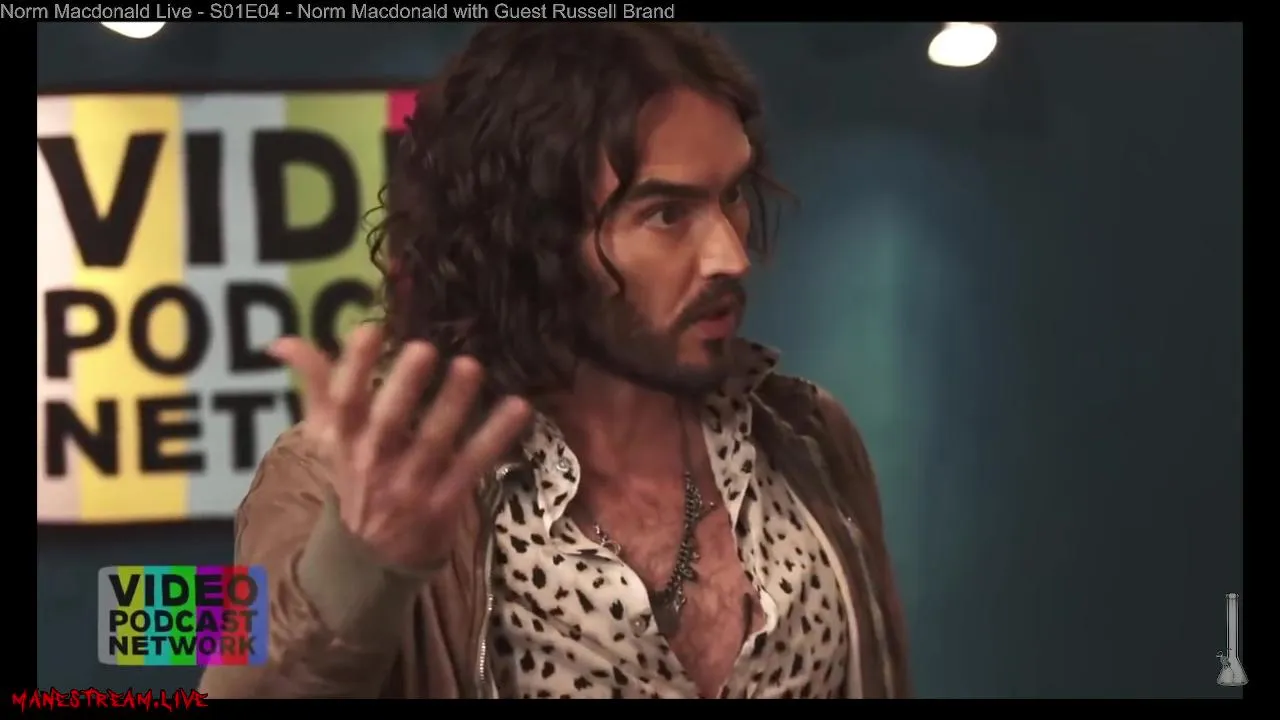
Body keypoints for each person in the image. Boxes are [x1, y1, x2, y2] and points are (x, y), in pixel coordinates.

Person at [199, 22, 910, 699]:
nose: (731, 255)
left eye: (732, 197)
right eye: (667, 213)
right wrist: (360, 566)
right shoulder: (338, 475)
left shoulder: (809, 435)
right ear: (532, 241)